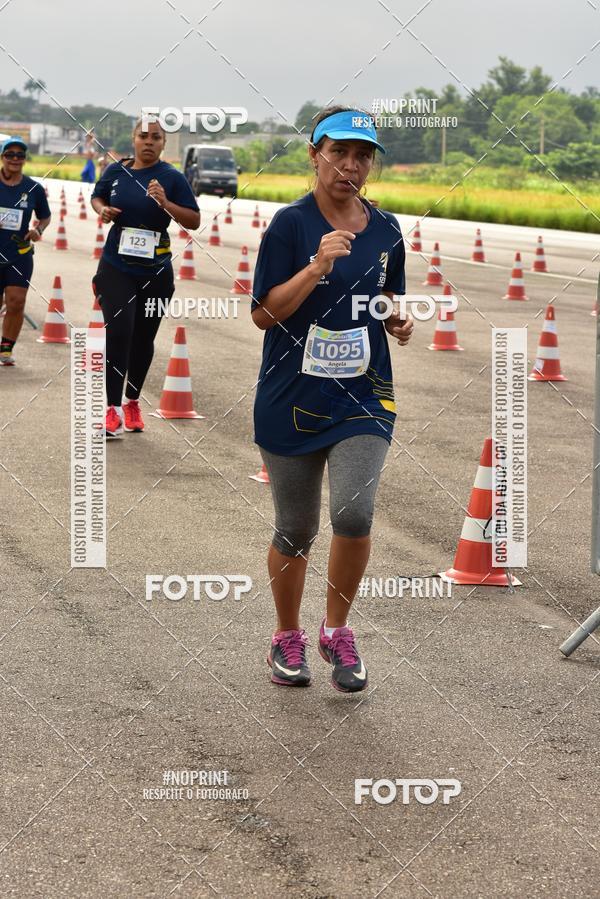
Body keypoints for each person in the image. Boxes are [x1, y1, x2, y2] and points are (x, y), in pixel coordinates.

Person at [251, 106, 413, 692]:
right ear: (314, 155)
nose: (350, 165)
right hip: (291, 395)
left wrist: (397, 315)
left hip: (364, 397)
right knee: (296, 527)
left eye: (362, 155)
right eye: (338, 153)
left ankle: (337, 629)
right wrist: (317, 265)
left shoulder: (388, 229)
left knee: (353, 513)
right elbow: (264, 314)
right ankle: (286, 635)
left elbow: (388, 294)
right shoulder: (289, 227)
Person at [91, 117, 200, 436]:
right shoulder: (116, 170)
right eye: (143, 136)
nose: (149, 142)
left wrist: (166, 203)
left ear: (164, 143)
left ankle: (132, 402)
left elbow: (193, 220)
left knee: (143, 338)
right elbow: (97, 196)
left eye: (156, 137)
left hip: (155, 271)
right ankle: (111, 410)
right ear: (133, 139)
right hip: (116, 265)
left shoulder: (172, 177)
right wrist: (102, 210)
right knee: (119, 332)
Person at [0, 137, 51, 366]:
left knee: (16, 301)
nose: (15, 159)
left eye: (19, 155)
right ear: (2, 157)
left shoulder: (33, 189)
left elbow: (45, 215)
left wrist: (38, 229)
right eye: (10, 154)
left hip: (19, 254)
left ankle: (6, 349)